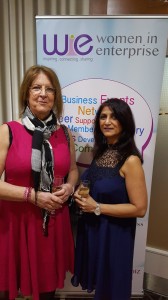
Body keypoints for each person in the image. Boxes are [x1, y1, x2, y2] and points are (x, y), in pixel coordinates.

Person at [0, 65, 78, 300]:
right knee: (7, 289)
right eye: (37, 87)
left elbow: (72, 170)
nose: (43, 93)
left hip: (52, 223)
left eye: (49, 89)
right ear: (27, 93)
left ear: (56, 96)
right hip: (16, 221)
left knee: (46, 292)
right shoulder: (8, 131)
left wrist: (70, 186)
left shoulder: (64, 133)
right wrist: (33, 196)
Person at [71, 98, 148, 300]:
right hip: (95, 232)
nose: (107, 121)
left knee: (113, 291)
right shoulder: (102, 153)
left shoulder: (130, 160)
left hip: (115, 236)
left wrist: (97, 207)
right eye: (103, 117)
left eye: (114, 117)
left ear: (124, 122)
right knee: (102, 290)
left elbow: (140, 209)